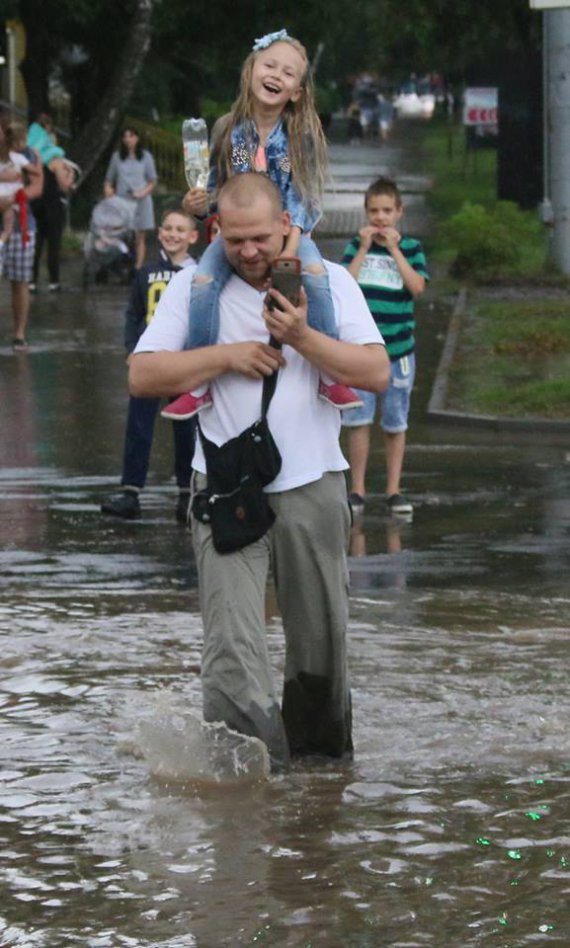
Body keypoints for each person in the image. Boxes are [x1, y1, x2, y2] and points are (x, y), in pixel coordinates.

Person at [129, 173, 390, 771]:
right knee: (230, 653)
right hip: (223, 488)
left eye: (261, 239)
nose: (249, 252)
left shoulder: (329, 283)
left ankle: (320, 786)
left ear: (285, 228)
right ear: (217, 229)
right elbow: (141, 376)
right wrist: (226, 357)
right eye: (236, 239)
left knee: (320, 650)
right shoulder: (197, 289)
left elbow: (375, 372)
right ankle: (250, 793)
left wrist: (302, 336)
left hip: (314, 485)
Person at [161, 28, 362, 423]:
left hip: (290, 231)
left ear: (297, 92)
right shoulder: (228, 130)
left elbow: (307, 196)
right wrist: (199, 205)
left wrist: (291, 244)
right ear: (251, 69)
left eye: (288, 73)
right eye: (269, 65)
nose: (276, 75)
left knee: (318, 277)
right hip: (236, 234)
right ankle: (198, 383)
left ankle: (328, 374)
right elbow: (219, 190)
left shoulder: (300, 134)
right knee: (201, 284)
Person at [100, 208, 199, 522]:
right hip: (149, 360)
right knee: (139, 425)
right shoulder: (145, 273)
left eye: (180, 229)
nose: (172, 234)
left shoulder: (199, 274)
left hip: (183, 362)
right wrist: (131, 348)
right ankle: (131, 490)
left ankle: (188, 491)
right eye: (167, 228)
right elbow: (133, 314)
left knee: (187, 428)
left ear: (193, 237)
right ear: (159, 232)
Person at [340, 176, 429, 515]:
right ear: (365, 213)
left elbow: (417, 287)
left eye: (387, 211)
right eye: (374, 211)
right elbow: (345, 287)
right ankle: (358, 488)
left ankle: (393, 489)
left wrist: (393, 249)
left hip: (399, 351)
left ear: (399, 212)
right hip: (362, 351)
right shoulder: (356, 245)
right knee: (358, 421)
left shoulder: (411, 248)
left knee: (395, 422)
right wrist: (363, 248)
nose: (380, 218)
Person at [0, 120, 43, 351]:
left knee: (20, 281)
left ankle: (19, 334)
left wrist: (11, 197)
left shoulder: (25, 155)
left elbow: (37, 186)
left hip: (21, 225)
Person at [104, 126, 157, 269]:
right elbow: (109, 180)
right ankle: (120, 264)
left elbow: (152, 181)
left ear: (137, 138)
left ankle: (138, 267)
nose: (128, 139)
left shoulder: (146, 157)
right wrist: (108, 191)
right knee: (120, 234)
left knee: (140, 236)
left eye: (131, 136)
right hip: (123, 201)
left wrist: (142, 192)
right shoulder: (117, 157)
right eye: (125, 136)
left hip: (141, 201)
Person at [0, 123, 37, 255]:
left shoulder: (22, 153)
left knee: (8, 225)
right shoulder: (19, 156)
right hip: (10, 198)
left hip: (14, 202)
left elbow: (36, 186)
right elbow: (36, 173)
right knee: (8, 226)